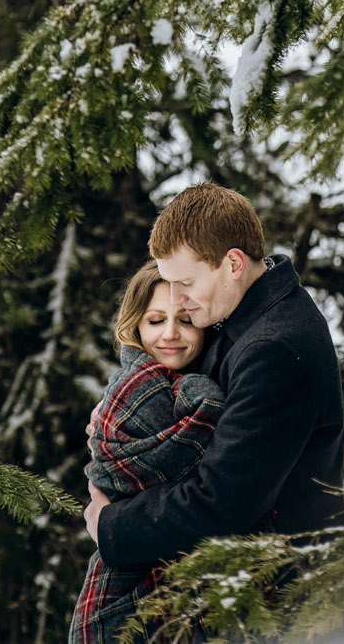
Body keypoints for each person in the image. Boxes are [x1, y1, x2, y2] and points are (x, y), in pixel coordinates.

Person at [84, 183, 344, 577]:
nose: (176, 298)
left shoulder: (274, 347)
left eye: (185, 284)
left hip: (289, 598)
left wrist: (112, 525)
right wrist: (124, 411)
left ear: (234, 264)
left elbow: (223, 501)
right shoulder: (249, 309)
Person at [71, 261, 223, 644]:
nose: (170, 334)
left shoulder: (181, 385)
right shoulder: (141, 387)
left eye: (186, 321)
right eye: (155, 321)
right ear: (135, 325)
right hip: (132, 569)